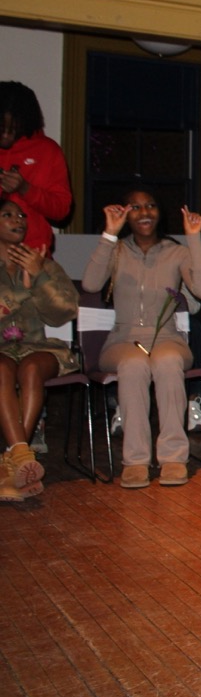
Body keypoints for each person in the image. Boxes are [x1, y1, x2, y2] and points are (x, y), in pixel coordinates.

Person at [81, 189, 201, 489]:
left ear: (160, 211)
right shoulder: (116, 251)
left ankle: (173, 458)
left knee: (166, 361)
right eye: (136, 207)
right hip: (122, 341)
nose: (144, 212)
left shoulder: (175, 251)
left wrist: (193, 238)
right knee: (134, 364)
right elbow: (90, 283)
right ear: (126, 213)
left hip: (168, 338)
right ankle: (136, 460)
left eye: (151, 205)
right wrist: (109, 234)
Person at [0, 199, 77, 501]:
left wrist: (40, 276)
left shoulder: (43, 262)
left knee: (31, 367)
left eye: (21, 215)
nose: (18, 220)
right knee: (2, 367)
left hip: (40, 347)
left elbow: (64, 312)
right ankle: (19, 463)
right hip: (1, 351)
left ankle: (15, 457)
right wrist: (24, 289)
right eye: (7, 215)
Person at [0, 82, 73, 252]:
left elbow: (61, 210)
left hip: (32, 256)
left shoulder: (47, 150)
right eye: (1, 127)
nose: (5, 135)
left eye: (13, 128)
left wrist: (25, 189)